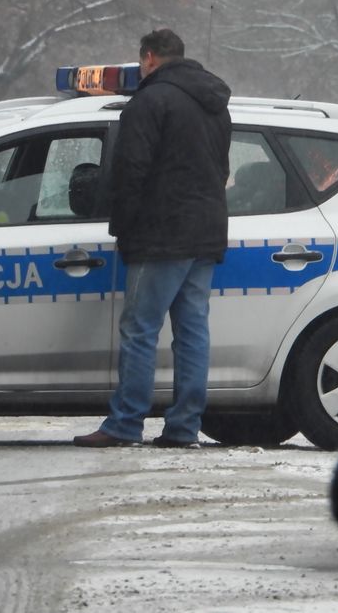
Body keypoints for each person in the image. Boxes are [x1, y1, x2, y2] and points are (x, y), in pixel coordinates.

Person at [74, 28, 231, 449]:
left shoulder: (150, 101)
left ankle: (125, 423)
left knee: (140, 330)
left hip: (161, 234)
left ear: (148, 58)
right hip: (207, 231)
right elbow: (220, 169)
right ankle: (183, 428)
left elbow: (131, 172)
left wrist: (123, 227)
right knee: (193, 331)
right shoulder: (215, 103)